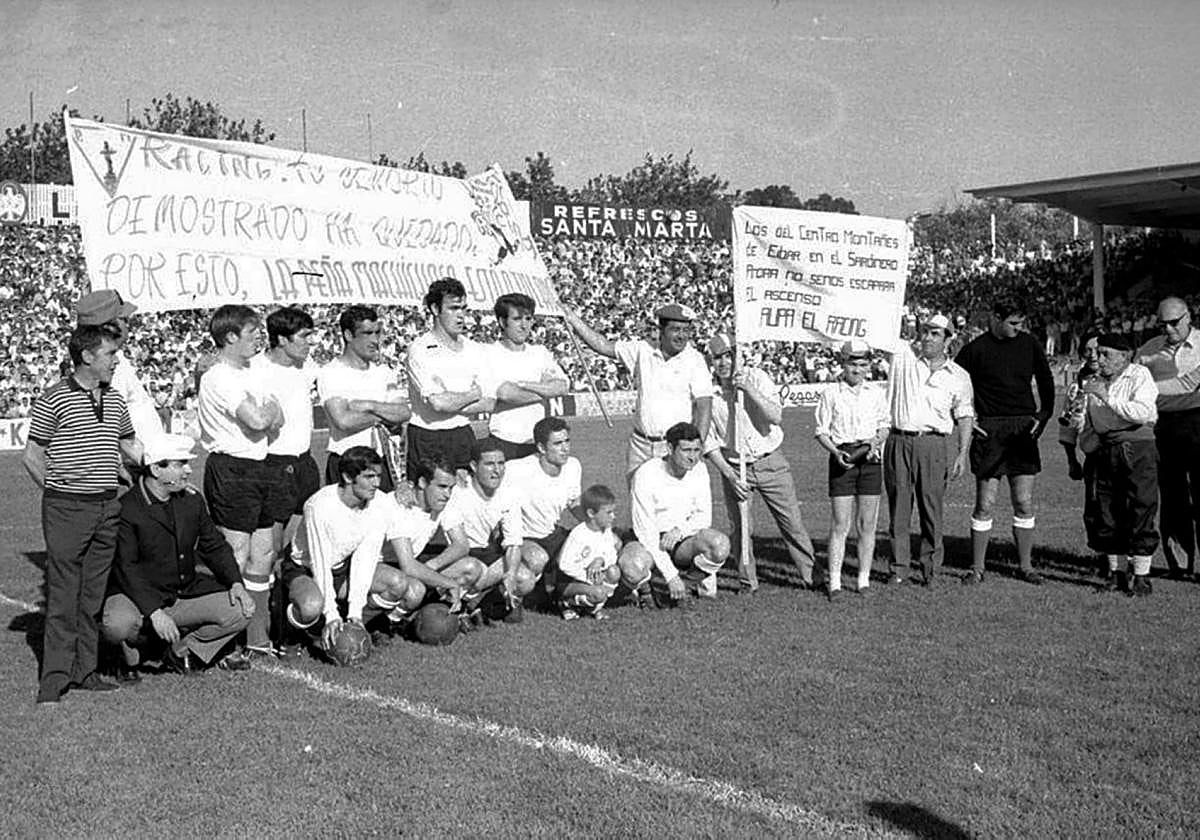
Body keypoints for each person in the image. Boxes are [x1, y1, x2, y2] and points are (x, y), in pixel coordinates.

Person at [23, 324, 143, 704]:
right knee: (63, 595)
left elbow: (127, 444)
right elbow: (33, 455)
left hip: (107, 506)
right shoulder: (54, 398)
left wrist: (159, 466)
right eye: (110, 354)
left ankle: (85, 671)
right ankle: (54, 679)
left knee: (92, 596)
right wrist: (60, 493)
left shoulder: (115, 399)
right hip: (67, 507)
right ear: (87, 356)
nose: (116, 360)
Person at [102, 434, 254, 675]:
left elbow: (214, 546)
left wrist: (235, 582)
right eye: (179, 464)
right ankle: (132, 649)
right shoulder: (127, 509)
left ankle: (180, 652)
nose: (188, 470)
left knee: (240, 610)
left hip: (180, 592)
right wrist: (154, 612)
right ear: (155, 469)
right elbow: (126, 568)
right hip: (135, 595)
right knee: (117, 624)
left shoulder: (191, 502)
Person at [197, 304, 283, 658]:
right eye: (251, 333)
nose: (258, 339)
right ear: (230, 337)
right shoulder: (218, 377)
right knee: (236, 553)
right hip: (232, 469)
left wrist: (267, 414)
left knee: (262, 553)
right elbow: (261, 419)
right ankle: (225, 640)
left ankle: (256, 638)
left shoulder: (252, 372)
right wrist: (266, 414)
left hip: (260, 466)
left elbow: (276, 418)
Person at [704, 333, 816, 592]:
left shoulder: (757, 377)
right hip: (734, 466)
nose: (723, 362)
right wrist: (730, 475)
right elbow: (709, 443)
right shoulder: (709, 393)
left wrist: (748, 390)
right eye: (717, 357)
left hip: (770, 461)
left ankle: (812, 576)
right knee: (741, 528)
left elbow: (775, 416)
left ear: (738, 355)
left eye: (728, 355)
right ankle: (748, 582)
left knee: (792, 523)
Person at [956, 297, 1056, 585]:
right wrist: (966, 420)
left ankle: (1026, 566)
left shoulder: (1029, 343)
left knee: (1023, 501)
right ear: (996, 318)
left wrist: (1045, 413)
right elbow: (953, 385)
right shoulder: (975, 350)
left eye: (1021, 323)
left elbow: (1046, 378)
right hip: (990, 429)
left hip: (1023, 428)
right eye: (1013, 323)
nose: (1018, 328)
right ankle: (977, 568)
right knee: (985, 503)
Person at [281, 447, 414, 655]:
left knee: (398, 583)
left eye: (379, 476)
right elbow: (319, 562)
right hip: (305, 567)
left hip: (342, 566)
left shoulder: (379, 504)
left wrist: (356, 613)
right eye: (369, 477)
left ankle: (352, 627)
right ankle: (289, 635)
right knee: (310, 607)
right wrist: (331, 613)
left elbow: (366, 558)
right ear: (347, 476)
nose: (377, 483)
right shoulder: (319, 506)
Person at [563, 302, 713, 476]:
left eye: (686, 330)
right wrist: (572, 318)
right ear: (661, 330)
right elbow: (602, 346)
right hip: (640, 446)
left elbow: (704, 407)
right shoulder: (642, 350)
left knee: (674, 501)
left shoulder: (695, 360)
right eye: (675, 329)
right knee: (638, 501)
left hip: (675, 447)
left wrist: (695, 448)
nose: (682, 336)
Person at [883, 314, 974, 586]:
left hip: (934, 444)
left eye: (935, 334)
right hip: (899, 440)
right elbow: (885, 334)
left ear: (948, 340)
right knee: (899, 508)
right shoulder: (904, 361)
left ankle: (930, 569)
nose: (928, 338)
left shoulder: (959, 376)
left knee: (931, 509)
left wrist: (962, 453)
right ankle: (898, 569)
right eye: (925, 332)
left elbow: (965, 415)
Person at [1081, 335, 1160, 595]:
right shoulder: (1094, 382)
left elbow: (1142, 412)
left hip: (1137, 447)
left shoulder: (1140, 375)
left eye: (1105, 354)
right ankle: (1116, 573)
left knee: (1141, 505)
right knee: (1108, 509)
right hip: (1107, 447)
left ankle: (1141, 575)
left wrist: (1107, 398)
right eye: (1098, 353)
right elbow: (1093, 421)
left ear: (1124, 355)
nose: (1099, 359)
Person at [813, 340, 890, 599]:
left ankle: (863, 580)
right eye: (853, 364)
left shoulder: (876, 393)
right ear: (843, 365)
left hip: (870, 459)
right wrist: (836, 452)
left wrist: (874, 441)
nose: (858, 370)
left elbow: (884, 426)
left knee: (867, 523)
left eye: (863, 364)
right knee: (840, 523)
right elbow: (821, 431)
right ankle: (834, 582)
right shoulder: (831, 393)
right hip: (842, 458)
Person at [439, 437, 540, 623]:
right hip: (455, 555)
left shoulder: (509, 493)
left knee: (524, 578)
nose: (497, 471)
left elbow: (513, 542)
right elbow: (454, 543)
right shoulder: (458, 490)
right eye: (489, 464)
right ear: (474, 466)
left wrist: (510, 574)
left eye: (501, 463)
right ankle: (445, 603)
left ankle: (476, 605)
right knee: (472, 569)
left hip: (484, 553)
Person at [1135, 297, 1200, 579]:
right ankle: (1180, 566)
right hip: (1164, 427)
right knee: (1172, 497)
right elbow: (1132, 376)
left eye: (1174, 323)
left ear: (1189, 317)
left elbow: (1187, 383)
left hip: (1198, 421)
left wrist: (1146, 387)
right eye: (1163, 324)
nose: (1169, 329)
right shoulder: (1149, 348)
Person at [405, 278, 495, 481]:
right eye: (454, 308)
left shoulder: (474, 349)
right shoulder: (419, 349)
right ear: (435, 309)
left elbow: (489, 401)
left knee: (467, 501)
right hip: (427, 436)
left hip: (462, 434)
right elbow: (438, 403)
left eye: (463, 308)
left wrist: (451, 403)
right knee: (427, 503)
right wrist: (473, 393)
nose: (461, 315)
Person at [630, 421, 730, 601]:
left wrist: (679, 531)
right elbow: (645, 532)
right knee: (632, 565)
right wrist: (670, 576)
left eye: (697, 450)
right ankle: (646, 593)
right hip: (650, 540)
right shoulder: (646, 474)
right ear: (669, 448)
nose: (693, 457)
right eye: (686, 450)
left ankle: (686, 586)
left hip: (682, 541)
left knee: (720, 545)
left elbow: (704, 516)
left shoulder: (700, 469)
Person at [318, 305, 410, 492]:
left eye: (377, 333)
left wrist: (368, 406)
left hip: (382, 462)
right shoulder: (332, 373)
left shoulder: (385, 372)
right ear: (349, 335)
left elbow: (403, 412)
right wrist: (382, 415)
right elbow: (343, 421)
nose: (375, 340)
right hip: (348, 462)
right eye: (367, 333)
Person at [251, 306, 321, 550]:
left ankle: (286, 577)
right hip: (275, 464)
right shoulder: (257, 369)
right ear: (281, 339)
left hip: (306, 460)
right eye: (304, 336)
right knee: (271, 542)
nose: (309, 342)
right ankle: (266, 583)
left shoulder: (306, 365)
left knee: (299, 535)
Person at [486, 293, 570, 460]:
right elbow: (505, 394)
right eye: (517, 319)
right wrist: (544, 390)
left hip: (536, 443)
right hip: (504, 441)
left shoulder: (540, 353)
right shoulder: (489, 353)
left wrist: (524, 385)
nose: (524, 325)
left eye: (528, 319)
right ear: (503, 322)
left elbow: (563, 386)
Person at [75, 289, 162, 442]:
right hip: (132, 459)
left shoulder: (108, 358)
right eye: (123, 320)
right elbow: (110, 422)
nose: (127, 325)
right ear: (110, 327)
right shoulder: (106, 364)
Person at [555, 485, 638, 620]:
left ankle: (595, 608)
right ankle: (566, 603)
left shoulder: (605, 529)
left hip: (593, 578)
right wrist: (588, 578)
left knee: (613, 572)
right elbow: (564, 565)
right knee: (598, 592)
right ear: (591, 514)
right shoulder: (578, 535)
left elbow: (611, 554)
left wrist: (601, 560)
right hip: (570, 581)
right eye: (608, 512)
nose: (613, 516)